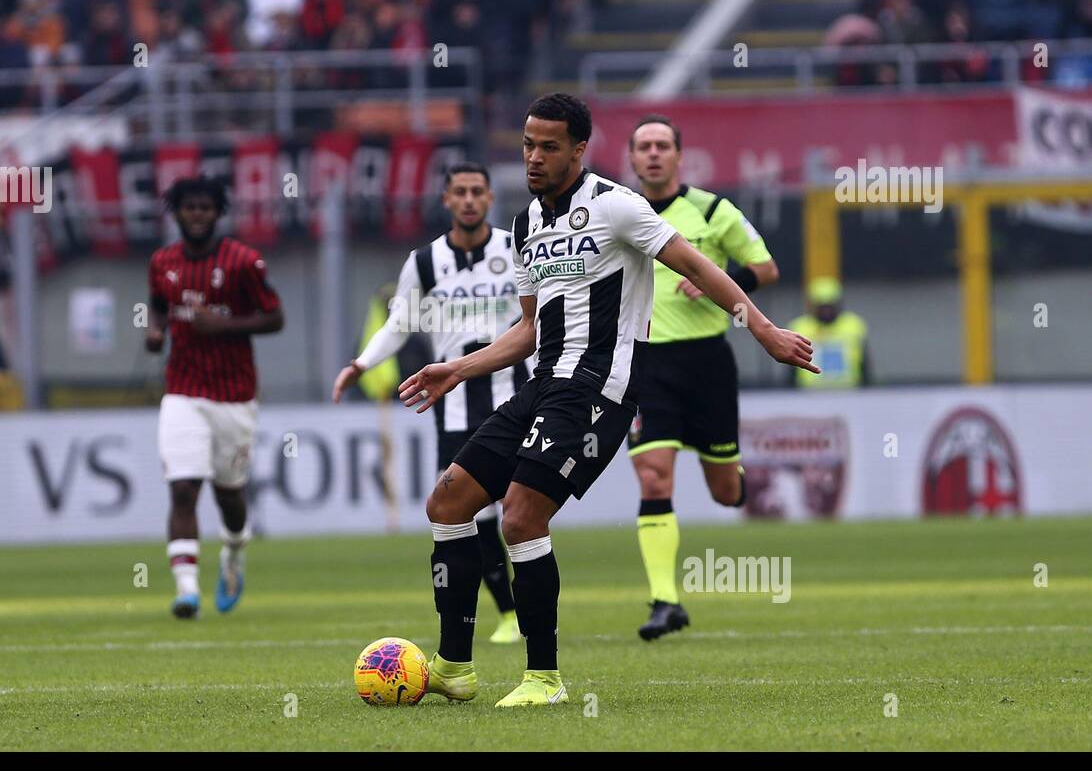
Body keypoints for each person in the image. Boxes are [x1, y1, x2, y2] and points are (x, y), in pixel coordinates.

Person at [398, 93, 817, 707]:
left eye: (548, 146)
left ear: (578, 149)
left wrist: (762, 328)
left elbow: (696, 266)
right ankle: (453, 666)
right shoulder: (525, 225)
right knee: (449, 500)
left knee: (520, 517)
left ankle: (544, 678)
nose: (534, 157)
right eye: (527, 145)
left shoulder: (617, 205)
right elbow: (529, 330)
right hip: (543, 383)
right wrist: (457, 368)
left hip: (601, 387)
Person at [333, 162, 528, 644]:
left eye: (477, 191)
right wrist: (361, 363)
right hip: (455, 404)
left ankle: (530, 607)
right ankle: (508, 613)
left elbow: (543, 313)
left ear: (489, 199)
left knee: (521, 507)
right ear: (445, 199)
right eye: (459, 192)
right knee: (469, 512)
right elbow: (399, 323)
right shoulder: (424, 263)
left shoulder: (515, 248)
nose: (468, 200)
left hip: (516, 396)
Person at [625, 115, 780, 641]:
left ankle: (736, 476)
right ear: (631, 158)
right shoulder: (617, 214)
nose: (652, 154)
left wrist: (720, 280)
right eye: (643, 146)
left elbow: (767, 267)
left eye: (661, 145)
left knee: (723, 493)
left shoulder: (713, 210)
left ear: (678, 156)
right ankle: (665, 601)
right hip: (647, 366)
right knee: (653, 476)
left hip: (708, 363)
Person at [145, 176, 284, 618]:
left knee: (229, 495)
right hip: (182, 391)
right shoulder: (162, 262)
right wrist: (154, 330)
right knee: (183, 489)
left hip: (234, 395)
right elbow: (158, 306)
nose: (198, 214)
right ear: (178, 212)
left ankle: (234, 554)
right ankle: (187, 589)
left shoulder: (243, 261)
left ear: (217, 212)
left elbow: (275, 318)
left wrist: (222, 325)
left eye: (206, 207)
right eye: (190, 207)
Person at [787, 277, 871, 389]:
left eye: (830, 306)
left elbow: (864, 363)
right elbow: (791, 368)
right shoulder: (800, 327)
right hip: (809, 393)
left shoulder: (854, 325)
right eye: (821, 307)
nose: (826, 312)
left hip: (849, 391)